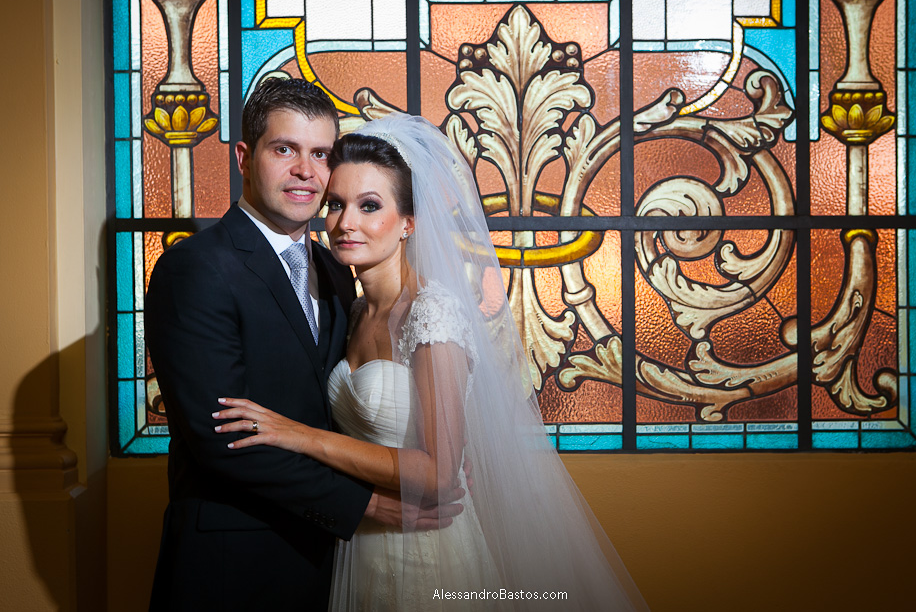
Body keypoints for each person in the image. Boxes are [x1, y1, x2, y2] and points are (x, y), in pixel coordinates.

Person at [214, 113, 649, 610]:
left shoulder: (432, 313)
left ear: (408, 224)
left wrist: (297, 435)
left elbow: (442, 474)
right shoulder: (350, 308)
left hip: (424, 552)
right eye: (336, 205)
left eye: (369, 206)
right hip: (355, 546)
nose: (345, 223)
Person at [145, 80, 458, 611]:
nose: (305, 172)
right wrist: (366, 504)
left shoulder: (337, 273)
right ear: (245, 157)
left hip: (335, 564)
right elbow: (223, 439)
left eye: (321, 155)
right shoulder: (195, 268)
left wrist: (430, 459)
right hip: (236, 564)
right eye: (284, 149)